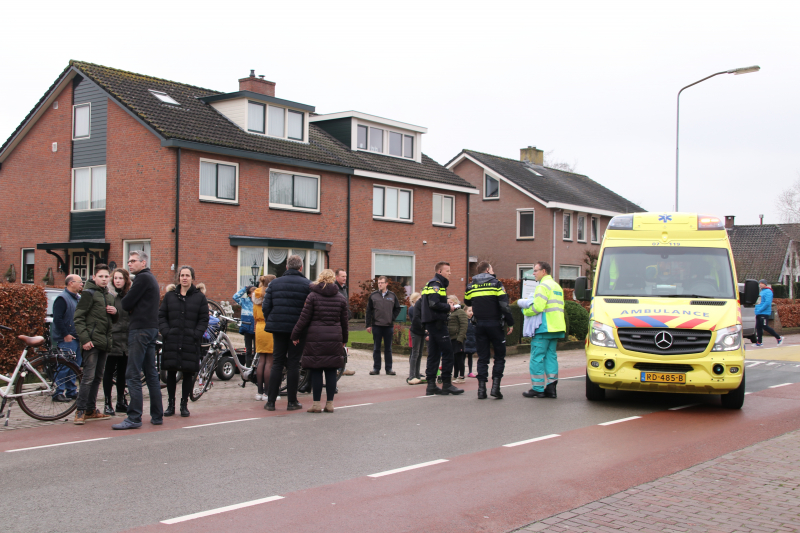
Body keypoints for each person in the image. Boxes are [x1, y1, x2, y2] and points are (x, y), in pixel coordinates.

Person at [113, 250, 164, 430]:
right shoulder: (151, 278)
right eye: (129, 261)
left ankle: (134, 417)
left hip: (140, 330)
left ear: (143, 263)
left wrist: (130, 306)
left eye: (133, 261)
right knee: (150, 373)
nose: (130, 264)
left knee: (132, 374)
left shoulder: (141, 279)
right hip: (150, 329)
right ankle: (157, 415)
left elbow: (126, 304)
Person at [291, 269, 349, 413]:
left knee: (316, 370)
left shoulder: (312, 296)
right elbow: (344, 322)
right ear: (333, 279)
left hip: (315, 338)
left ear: (320, 278)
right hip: (334, 337)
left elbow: (304, 318)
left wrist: (295, 335)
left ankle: (316, 404)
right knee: (331, 370)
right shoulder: (340, 298)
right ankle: (330, 404)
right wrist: (344, 339)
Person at [262, 254, 311, 411]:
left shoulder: (274, 284)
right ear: (301, 267)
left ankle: (270, 402)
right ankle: (292, 401)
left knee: (277, 362)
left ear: (286, 267)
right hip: (298, 330)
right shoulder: (307, 285)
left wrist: (272, 321)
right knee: (294, 363)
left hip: (279, 328)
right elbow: (310, 309)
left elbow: (266, 306)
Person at [159, 266, 209, 418]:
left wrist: (196, 334)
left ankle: (184, 404)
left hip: (189, 341)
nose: (184, 278)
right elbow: (161, 316)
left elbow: (204, 319)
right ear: (178, 277)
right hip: (172, 340)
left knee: (188, 373)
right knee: (171, 372)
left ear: (192, 278)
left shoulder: (199, 298)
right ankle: (171, 404)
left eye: (187, 275)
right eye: (182, 275)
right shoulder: (170, 296)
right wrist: (166, 332)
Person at [73, 264, 117, 424]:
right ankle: (80, 410)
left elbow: (112, 321)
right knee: (88, 377)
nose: (104, 279)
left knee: (98, 377)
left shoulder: (110, 296)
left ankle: (91, 410)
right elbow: (78, 318)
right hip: (91, 343)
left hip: (104, 342)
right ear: (94, 277)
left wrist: (115, 313)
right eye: (101, 276)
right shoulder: (88, 294)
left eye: (106, 277)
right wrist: (85, 339)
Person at [464, 261, 514, 400]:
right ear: (487, 270)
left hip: (480, 325)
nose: (493, 271)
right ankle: (495, 388)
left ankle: (481, 390)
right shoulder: (496, 284)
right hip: (495, 324)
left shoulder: (471, 285)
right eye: (491, 269)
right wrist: (510, 322)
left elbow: (467, 302)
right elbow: (504, 305)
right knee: (499, 356)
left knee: (482, 358)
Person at [522, 261, 565, 399]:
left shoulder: (542, 286)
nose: (533, 273)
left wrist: (525, 310)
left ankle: (538, 388)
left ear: (543, 271)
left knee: (537, 357)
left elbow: (538, 307)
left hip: (544, 327)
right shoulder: (557, 286)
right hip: (556, 327)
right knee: (551, 357)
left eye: (535, 270)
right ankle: (551, 388)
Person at [421, 262, 463, 395]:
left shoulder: (432, 283)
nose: (450, 273)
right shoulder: (436, 284)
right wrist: (449, 307)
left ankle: (431, 385)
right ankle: (447, 384)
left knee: (433, 354)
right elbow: (434, 303)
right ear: (440, 271)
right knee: (448, 353)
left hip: (432, 323)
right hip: (437, 323)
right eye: (448, 271)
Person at [51, 274, 84, 402]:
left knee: (74, 366)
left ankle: (71, 391)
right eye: (80, 282)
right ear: (71, 283)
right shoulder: (62, 299)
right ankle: (58, 392)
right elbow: (57, 318)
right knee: (64, 366)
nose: (82, 284)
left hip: (76, 337)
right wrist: (65, 334)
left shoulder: (78, 298)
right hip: (67, 339)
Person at [103, 268, 131, 416]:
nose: (118, 281)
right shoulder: (109, 296)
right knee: (108, 371)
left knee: (122, 372)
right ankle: (107, 403)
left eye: (121, 278)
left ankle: (121, 400)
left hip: (126, 339)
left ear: (126, 280)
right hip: (113, 337)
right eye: (115, 278)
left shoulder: (129, 296)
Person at [365, 276, 401, 375]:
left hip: (388, 326)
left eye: (382, 282)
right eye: (378, 283)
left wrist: (392, 317)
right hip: (376, 325)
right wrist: (368, 324)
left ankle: (389, 369)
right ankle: (376, 368)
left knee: (388, 348)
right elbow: (368, 311)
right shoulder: (373, 296)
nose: (380, 284)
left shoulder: (392, 295)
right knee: (376, 348)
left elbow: (397, 308)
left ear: (386, 284)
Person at [253, 275, 276, 401]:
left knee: (261, 360)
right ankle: (267, 392)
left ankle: (259, 392)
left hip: (259, 328)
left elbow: (254, 315)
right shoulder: (272, 295)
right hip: (269, 326)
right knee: (269, 362)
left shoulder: (256, 295)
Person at [335, 269, 355, 376]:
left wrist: (348, 313)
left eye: (345, 276)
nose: (345, 278)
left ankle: (342, 367)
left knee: (343, 345)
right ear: (336, 277)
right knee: (338, 345)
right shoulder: (335, 289)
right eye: (342, 276)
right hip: (337, 322)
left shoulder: (344, 289)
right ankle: (338, 368)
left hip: (344, 321)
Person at [755, 279, 784, 347]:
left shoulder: (768, 291)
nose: (760, 284)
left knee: (765, 326)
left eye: (762, 283)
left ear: (765, 284)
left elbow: (767, 303)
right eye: (759, 283)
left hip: (764, 312)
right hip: (759, 312)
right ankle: (759, 342)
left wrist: (760, 309)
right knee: (758, 327)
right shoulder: (761, 292)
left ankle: (779, 338)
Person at [447, 295, 468, 384]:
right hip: (451, 338)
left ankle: (461, 376)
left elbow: (464, 325)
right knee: (454, 358)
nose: (449, 304)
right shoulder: (450, 313)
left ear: (455, 302)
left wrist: (460, 338)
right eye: (448, 303)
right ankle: (455, 375)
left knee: (459, 358)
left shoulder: (460, 312)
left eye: (451, 302)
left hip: (458, 338)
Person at [233, 285, 256, 366]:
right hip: (247, 328)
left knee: (257, 350)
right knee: (248, 349)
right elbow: (235, 297)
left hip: (256, 329)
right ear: (249, 295)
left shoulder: (259, 302)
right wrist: (244, 289)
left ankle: (255, 366)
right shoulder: (244, 301)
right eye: (253, 293)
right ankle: (248, 366)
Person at [406, 292, 426, 385]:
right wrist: (424, 327)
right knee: (415, 353)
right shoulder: (412, 309)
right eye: (418, 299)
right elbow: (416, 319)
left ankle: (417, 374)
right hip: (416, 331)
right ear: (414, 300)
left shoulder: (423, 307)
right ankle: (412, 375)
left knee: (420, 353)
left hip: (422, 332)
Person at [464, 306, 477, 378]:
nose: (471, 312)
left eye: (472, 311)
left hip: (472, 341)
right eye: (469, 311)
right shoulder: (464, 320)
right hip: (465, 341)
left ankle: (470, 371)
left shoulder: (474, 321)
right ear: (465, 311)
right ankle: (461, 372)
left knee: (470, 357)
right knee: (462, 357)